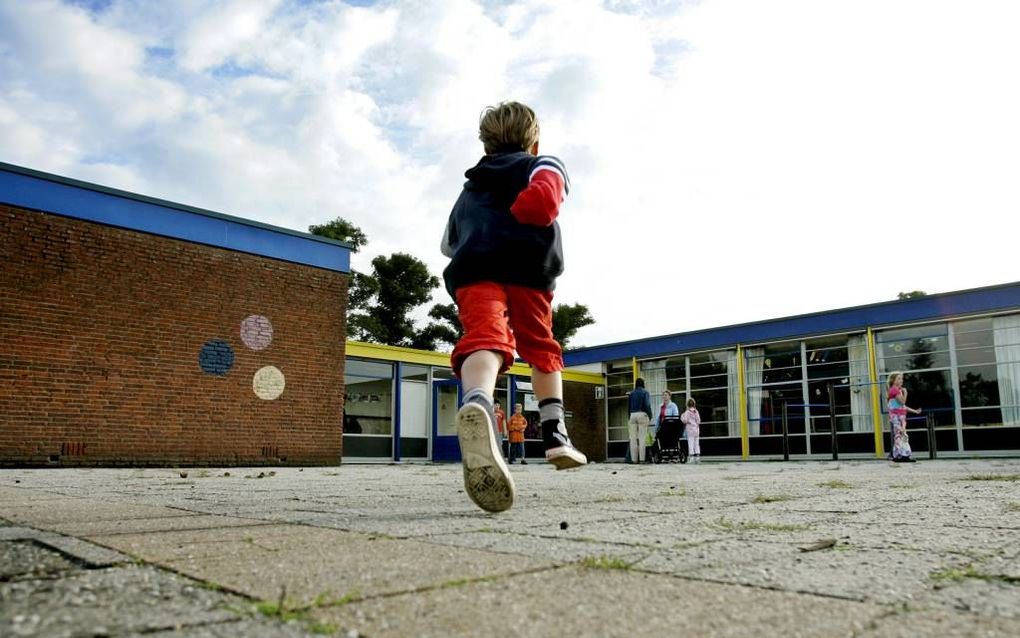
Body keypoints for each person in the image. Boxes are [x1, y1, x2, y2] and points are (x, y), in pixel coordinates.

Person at [440, 100, 587, 513]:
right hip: (528, 271)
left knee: (484, 339)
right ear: (534, 142)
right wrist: (521, 212)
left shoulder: (470, 186)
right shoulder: (542, 164)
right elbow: (543, 202)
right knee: (541, 348)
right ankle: (556, 435)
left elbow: (447, 242)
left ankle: (479, 403)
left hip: (474, 269)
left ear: (486, 146)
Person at [888, 372, 921, 463]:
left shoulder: (896, 390)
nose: (901, 380)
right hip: (897, 417)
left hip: (900, 417)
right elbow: (902, 403)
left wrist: (914, 411)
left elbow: (902, 407)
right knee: (902, 435)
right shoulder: (895, 390)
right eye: (898, 378)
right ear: (893, 380)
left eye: (901, 378)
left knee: (900, 435)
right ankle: (903, 455)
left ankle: (899, 455)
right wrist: (905, 392)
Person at [628, 378, 653, 464]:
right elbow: (647, 404)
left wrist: (629, 416)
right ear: (643, 384)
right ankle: (642, 459)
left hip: (632, 415)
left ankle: (634, 460)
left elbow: (629, 406)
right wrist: (650, 415)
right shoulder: (645, 392)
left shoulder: (631, 393)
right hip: (642, 414)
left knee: (633, 439)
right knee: (642, 438)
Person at [681, 397, 702, 463]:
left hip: (690, 431)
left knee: (691, 444)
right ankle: (697, 458)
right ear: (694, 404)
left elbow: (685, 420)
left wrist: (682, 417)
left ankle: (692, 458)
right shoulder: (696, 412)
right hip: (696, 430)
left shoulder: (687, 412)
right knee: (696, 444)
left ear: (687, 405)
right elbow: (699, 421)